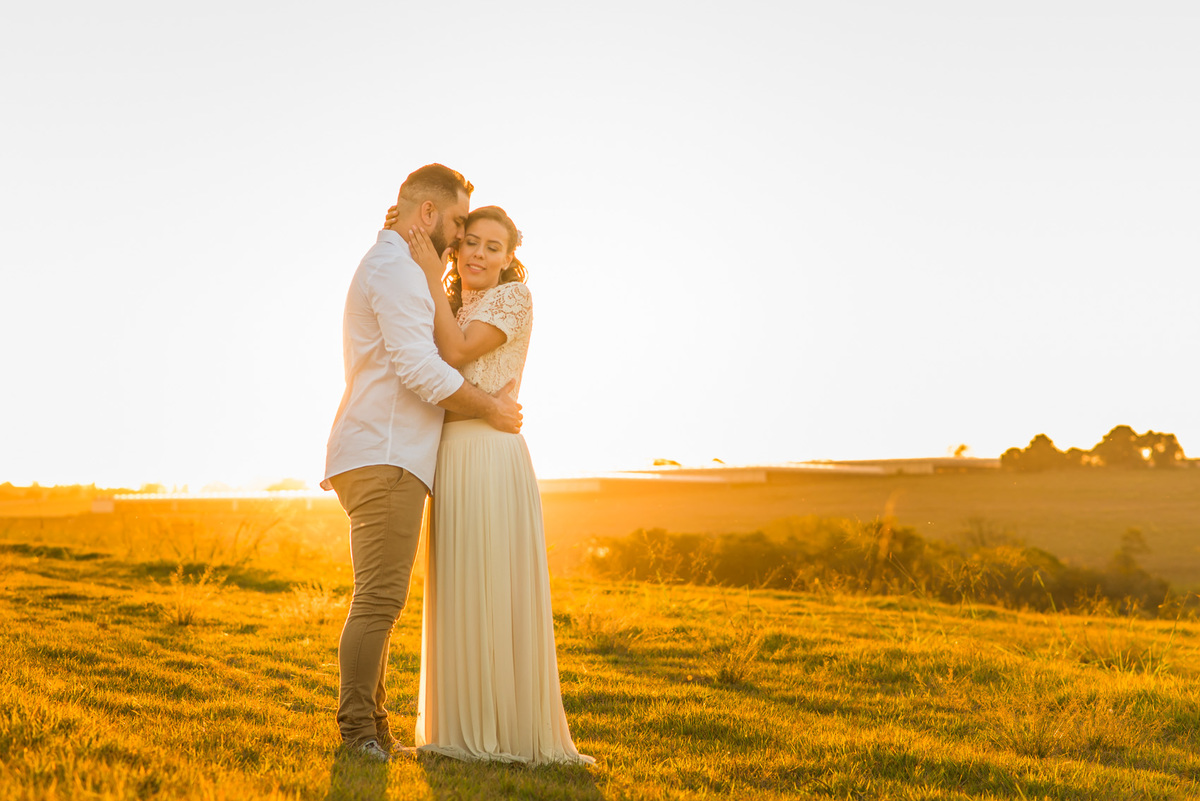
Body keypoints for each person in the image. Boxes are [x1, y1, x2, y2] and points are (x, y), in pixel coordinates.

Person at [321, 164, 522, 762]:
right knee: (379, 600)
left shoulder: (398, 267)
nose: (462, 240)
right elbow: (419, 367)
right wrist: (489, 407)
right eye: (459, 223)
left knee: (381, 597)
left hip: (386, 452)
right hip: (386, 455)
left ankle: (376, 728)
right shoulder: (397, 271)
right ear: (428, 215)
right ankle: (358, 731)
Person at [402, 205, 593, 765]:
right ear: (458, 250)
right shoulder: (458, 302)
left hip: (489, 450)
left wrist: (431, 277)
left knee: (493, 580)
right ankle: (459, 729)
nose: (480, 254)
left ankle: (507, 731)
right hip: (451, 453)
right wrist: (439, 287)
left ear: (510, 259)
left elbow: (457, 355)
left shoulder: (513, 299)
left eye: (493, 247)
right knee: (461, 581)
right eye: (472, 244)